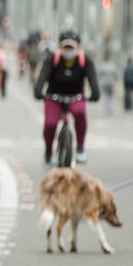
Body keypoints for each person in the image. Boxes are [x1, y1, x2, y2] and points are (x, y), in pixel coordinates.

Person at [32, 29, 100, 166]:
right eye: (65, 47)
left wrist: (95, 93)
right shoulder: (52, 59)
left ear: (78, 47)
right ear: (60, 46)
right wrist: (38, 91)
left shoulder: (84, 61)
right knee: (50, 124)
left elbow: (92, 79)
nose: (68, 50)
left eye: (71, 47)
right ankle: (48, 151)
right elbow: (42, 76)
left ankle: (80, 148)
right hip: (54, 97)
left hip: (75, 97)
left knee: (80, 113)